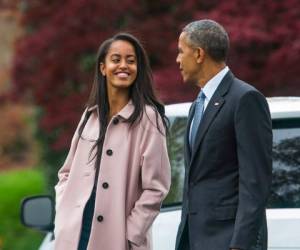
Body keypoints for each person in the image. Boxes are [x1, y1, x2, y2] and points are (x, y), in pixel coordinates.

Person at [53, 33, 171, 250]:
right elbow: (66, 173)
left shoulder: (149, 119)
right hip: (74, 235)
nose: (123, 65)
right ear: (103, 68)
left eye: (131, 60)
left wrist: (132, 232)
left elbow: (156, 188)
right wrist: (64, 213)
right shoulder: (90, 116)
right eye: (116, 59)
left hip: (118, 239)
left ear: (138, 69)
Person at [175, 19, 272, 250]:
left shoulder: (245, 99)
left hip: (229, 242)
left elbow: (255, 182)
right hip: (195, 240)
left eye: (181, 52)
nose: (178, 60)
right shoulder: (197, 106)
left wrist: (240, 245)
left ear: (199, 54)